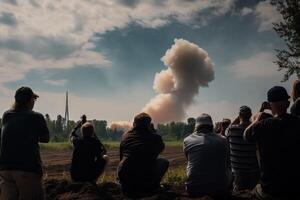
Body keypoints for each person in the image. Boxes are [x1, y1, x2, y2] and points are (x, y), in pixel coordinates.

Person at [244, 86, 300, 199]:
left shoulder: (263, 125)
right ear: (288, 104)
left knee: (255, 189)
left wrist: (257, 118)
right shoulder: (297, 123)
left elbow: (246, 135)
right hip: (294, 188)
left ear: (270, 105)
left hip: (270, 189)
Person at [0, 86, 50, 200]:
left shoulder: (6, 115)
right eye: (34, 99)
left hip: (5, 170)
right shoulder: (36, 116)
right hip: (26, 169)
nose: (34, 102)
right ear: (30, 100)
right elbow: (46, 138)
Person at [118, 113, 169, 198]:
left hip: (125, 177)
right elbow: (160, 150)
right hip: (145, 178)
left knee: (124, 162)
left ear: (134, 124)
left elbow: (121, 157)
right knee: (163, 161)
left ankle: (121, 183)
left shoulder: (125, 136)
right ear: (149, 125)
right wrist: (153, 132)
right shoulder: (155, 138)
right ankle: (154, 186)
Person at [183, 113, 232, 199]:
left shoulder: (187, 140)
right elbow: (227, 162)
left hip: (193, 189)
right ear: (211, 126)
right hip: (220, 189)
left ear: (196, 126)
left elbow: (188, 160)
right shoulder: (223, 140)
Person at [226, 106, 260, 191]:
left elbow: (226, 131)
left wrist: (238, 118)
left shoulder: (232, 129)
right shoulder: (254, 130)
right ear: (250, 115)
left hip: (238, 171)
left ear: (239, 115)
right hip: (253, 169)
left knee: (239, 194)